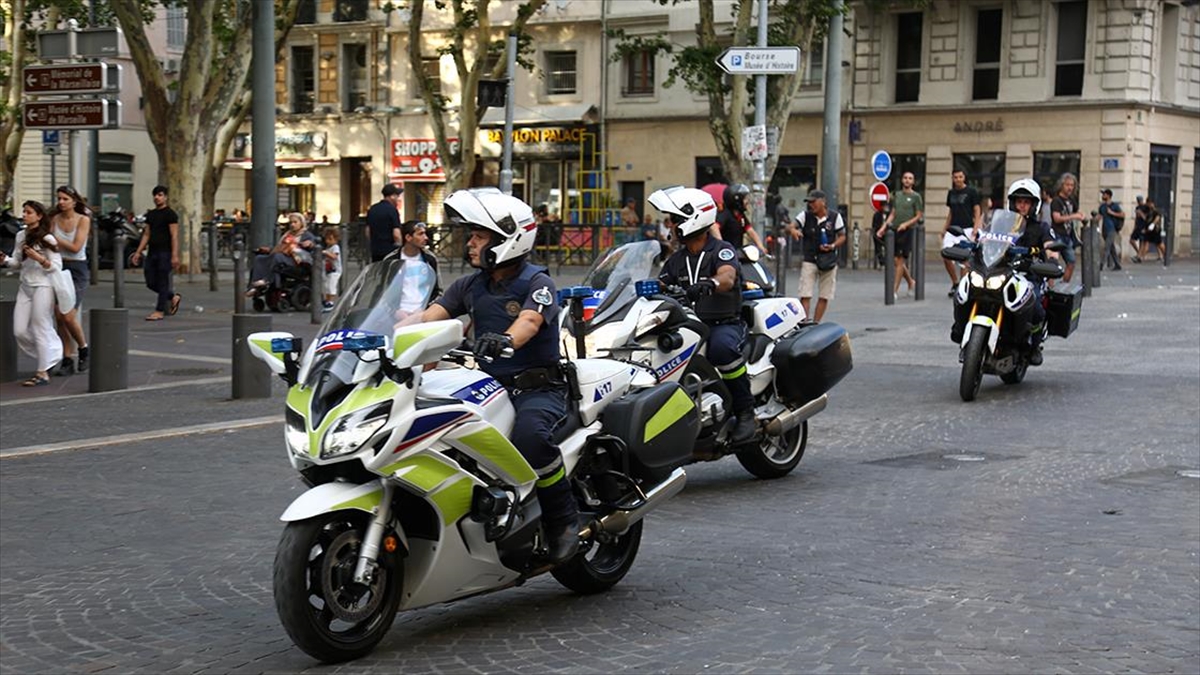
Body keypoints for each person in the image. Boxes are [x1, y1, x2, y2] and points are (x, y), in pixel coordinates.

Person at [416, 188, 578, 564]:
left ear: (507, 239)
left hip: (538, 388)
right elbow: (427, 318)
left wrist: (505, 340)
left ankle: (563, 521)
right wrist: (376, 337)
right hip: (489, 386)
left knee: (531, 439)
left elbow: (530, 321)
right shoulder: (470, 285)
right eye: (471, 236)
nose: (470, 243)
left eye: (478, 236)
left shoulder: (537, 283)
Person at [651, 185, 756, 444]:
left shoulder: (722, 250)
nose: (671, 225)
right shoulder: (677, 259)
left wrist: (709, 284)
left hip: (724, 323)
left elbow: (727, 277)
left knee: (721, 350)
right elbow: (660, 284)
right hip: (689, 325)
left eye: (675, 220)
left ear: (693, 219)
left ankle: (745, 412)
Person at [951, 178, 1059, 366]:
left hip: (1027, 274)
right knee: (964, 289)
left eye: (1026, 202)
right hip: (998, 269)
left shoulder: (1041, 227)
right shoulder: (1000, 222)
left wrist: (1051, 259)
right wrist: (968, 245)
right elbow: (982, 238)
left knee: (1036, 306)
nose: (1022, 206)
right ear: (1012, 203)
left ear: (1034, 205)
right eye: (1018, 201)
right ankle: (960, 328)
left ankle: (1033, 345)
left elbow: (1051, 247)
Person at [0, 201, 65, 386]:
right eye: (24, 211)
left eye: (29, 212)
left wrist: (40, 259)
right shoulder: (21, 235)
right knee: (19, 330)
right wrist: (5, 260)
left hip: (43, 286)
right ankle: (51, 353)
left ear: (39, 216)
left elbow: (56, 267)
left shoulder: (48, 239)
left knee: (40, 326)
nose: (25, 215)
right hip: (25, 285)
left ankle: (42, 372)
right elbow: (17, 262)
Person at [47, 185, 90, 375]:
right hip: (58, 267)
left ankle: (83, 348)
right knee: (58, 316)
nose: (61, 202)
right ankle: (67, 358)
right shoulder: (53, 219)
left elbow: (75, 246)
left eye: (65, 199)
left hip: (77, 269)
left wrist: (54, 238)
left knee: (67, 315)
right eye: (59, 199)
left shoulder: (83, 220)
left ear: (74, 201)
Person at [788, 189, 847, 323]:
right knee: (805, 293)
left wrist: (832, 246)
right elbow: (791, 226)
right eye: (809, 202)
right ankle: (804, 323)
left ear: (823, 202)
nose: (811, 205)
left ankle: (815, 323)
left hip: (828, 260)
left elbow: (842, 236)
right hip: (810, 259)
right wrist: (793, 230)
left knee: (824, 295)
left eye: (813, 202)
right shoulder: (805, 216)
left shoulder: (835, 217)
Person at [130, 185, 182, 321]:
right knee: (151, 282)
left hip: (165, 252)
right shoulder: (151, 215)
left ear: (165, 197)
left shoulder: (170, 214)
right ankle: (172, 297)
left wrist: (175, 255)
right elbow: (147, 234)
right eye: (155, 195)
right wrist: (138, 252)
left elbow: (174, 235)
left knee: (163, 281)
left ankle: (159, 310)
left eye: (160, 195)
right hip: (152, 252)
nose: (157, 198)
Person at [246, 212, 316, 295]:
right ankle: (254, 285)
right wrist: (269, 250)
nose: (292, 225)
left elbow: (315, 246)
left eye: (295, 222)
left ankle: (266, 280)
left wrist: (310, 244)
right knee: (259, 258)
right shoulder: (287, 234)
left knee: (277, 257)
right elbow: (280, 247)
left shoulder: (306, 235)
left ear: (301, 223)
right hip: (283, 256)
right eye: (290, 222)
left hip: (296, 261)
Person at [877, 171, 922, 296]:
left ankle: (894, 290)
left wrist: (906, 224)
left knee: (901, 261)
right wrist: (883, 227)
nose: (907, 180)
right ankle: (911, 281)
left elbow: (918, 215)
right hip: (895, 230)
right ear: (902, 180)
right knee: (895, 261)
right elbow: (893, 213)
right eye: (905, 178)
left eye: (910, 178)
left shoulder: (916, 197)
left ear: (913, 182)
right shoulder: (897, 195)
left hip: (907, 231)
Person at [389, 219, 440, 320]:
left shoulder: (430, 259)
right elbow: (384, 292)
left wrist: (426, 309)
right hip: (398, 314)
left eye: (425, 234)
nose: (425, 238)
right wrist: (394, 311)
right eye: (420, 234)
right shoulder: (392, 260)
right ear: (408, 237)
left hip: (423, 312)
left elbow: (438, 291)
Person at [942, 169, 982, 296]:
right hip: (953, 229)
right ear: (952, 179)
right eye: (955, 177)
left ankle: (963, 286)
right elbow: (951, 213)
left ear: (964, 177)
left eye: (960, 177)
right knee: (945, 254)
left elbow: (977, 210)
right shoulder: (951, 193)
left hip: (967, 229)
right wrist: (945, 228)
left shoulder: (971, 192)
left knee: (965, 259)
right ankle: (955, 282)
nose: (958, 179)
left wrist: (976, 228)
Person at [1050, 172, 1087, 284]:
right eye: (1067, 185)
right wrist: (1074, 216)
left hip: (1067, 236)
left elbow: (1076, 211)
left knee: (1071, 262)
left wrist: (1081, 215)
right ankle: (1049, 287)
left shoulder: (1071, 200)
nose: (1070, 188)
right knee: (1052, 263)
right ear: (1062, 185)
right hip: (1057, 235)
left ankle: (1063, 285)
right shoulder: (1056, 201)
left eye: (1072, 185)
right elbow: (1057, 218)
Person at [713, 183, 767, 254]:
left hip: (737, 253)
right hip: (726, 255)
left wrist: (761, 246)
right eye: (745, 199)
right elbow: (714, 227)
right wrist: (722, 245)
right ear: (737, 200)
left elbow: (750, 231)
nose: (747, 202)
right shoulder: (725, 214)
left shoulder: (741, 216)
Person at [366, 183, 403, 262]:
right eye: (397, 196)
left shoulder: (373, 209)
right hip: (390, 250)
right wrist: (399, 248)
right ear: (392, 196)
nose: (398, 199)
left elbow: (367, 231)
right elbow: (396, 234)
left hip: (375, 250)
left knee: (378, 272)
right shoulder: (392, 210)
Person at [1097, 189, 1125, 271]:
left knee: (1107, 247)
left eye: (1104, 194)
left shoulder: (1114, 205)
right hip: (1104, 229)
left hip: (1112, 229)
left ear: (1108, 196)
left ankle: (1102, 264)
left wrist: (1112, 213)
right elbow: (1099, 216)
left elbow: (1122, 215)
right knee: (1111, 247)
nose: (1102, 196)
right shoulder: (1102, 206)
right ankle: (1117, 264)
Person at [320, 226, 342, 311]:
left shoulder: (335, 247)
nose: (328, 241)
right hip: (328, 270)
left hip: (335, 270)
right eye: (327, 239)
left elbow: (334, 256)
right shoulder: (328, 247)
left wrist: (326, 253)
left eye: (330, 239)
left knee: (331, 285)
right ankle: (327, 300)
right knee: (326, 285)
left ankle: (331, 302)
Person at [1139, 197, 1166, 264]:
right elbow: (1146, 219)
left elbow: (1157, 218)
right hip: (1149, 230)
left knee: (1159, 244)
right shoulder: (1148, 211)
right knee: (1146, 243)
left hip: (1155, 230)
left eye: (1149, 203)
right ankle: (1142, 257)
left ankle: (1165, 255)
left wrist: (1153, 224)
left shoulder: (1155, 211)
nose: (1148, 205)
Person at [1130, 195, 1148, 261]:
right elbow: (1136, 218)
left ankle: (1139, 256)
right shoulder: (1137, 207)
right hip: (1138, 226)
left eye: (1140, 200)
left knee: (1141, 241)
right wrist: (1134, 226)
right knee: (1132, 240)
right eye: (1138, 200)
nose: (1139, 201)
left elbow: (1146, 218)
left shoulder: (1145, 207)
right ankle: (1138, 253)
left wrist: (1141, 213)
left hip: (1143, 226)